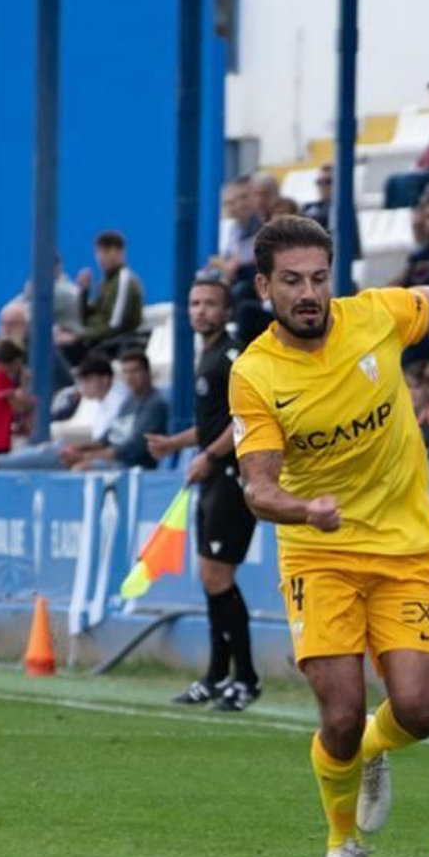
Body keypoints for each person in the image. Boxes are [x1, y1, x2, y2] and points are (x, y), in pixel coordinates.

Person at [230, 215, 429, 857]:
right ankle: (342, 844)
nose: (308, 292)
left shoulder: (377, 316)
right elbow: (257, 488)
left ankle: (374, 747)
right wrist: (306, 508)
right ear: (264, 286)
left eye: (318, 277)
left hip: (407, 546)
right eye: (292, 281)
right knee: (337, 710)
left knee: (420, 711)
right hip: (320, 551)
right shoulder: (254, 373)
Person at [146, 279, 261, 713]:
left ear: (226, 310)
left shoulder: (232, 356)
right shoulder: (207, 356)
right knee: (210, 577)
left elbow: (245, 419)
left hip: (233, 476)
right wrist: (174, 445)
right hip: (214, 474)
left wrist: (209, 458)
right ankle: (217, 675)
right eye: (194, 302)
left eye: (210, 303)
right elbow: (214, 424)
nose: (200, 310)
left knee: (219, 578)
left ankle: (245, 678)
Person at [0, 349, 167, 471]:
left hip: (129, 465)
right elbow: (106, 439)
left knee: (80, 468)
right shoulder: (129, 402)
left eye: (135, 371)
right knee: (57, 451)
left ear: (147, 372)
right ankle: (1, 463)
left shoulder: (154, 405)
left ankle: (0, 464)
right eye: (126, 372)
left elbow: (131, 449)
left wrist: (86, 458)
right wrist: (75, 449)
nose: (130, 377)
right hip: (110, 457)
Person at [81, 231, 145, 351]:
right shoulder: (105, 282)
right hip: (94, 341)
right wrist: (84, 292)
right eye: (98, 252)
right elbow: (87, 316)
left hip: (113, 346)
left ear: (120, 253)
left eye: (105, 252)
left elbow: (114, 326)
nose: (100, 258)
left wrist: (79, 336)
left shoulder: (125, 280)